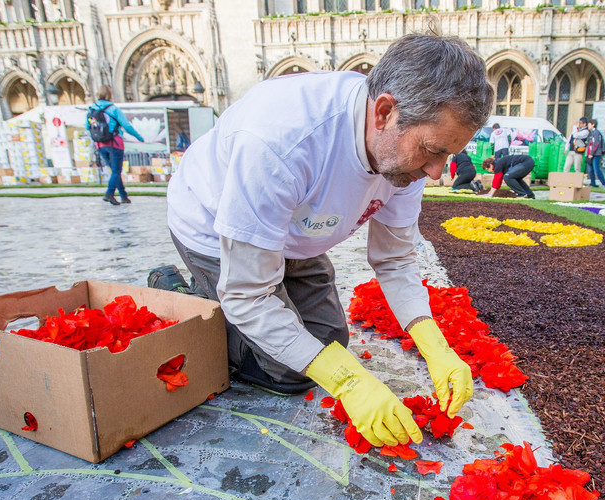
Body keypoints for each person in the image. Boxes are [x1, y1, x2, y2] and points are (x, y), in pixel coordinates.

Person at [158, 33, 491, 448]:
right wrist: (349, 383)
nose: (438, 172)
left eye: (448, 156)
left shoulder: (409, 152)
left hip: (298, 237)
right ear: (385, 111)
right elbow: (247, 294)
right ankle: (179, 293)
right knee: (289, 372)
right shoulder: (281, 141)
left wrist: (435, 346)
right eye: (432, 152)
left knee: (327, 344)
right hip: (214, 228)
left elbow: (395, 259)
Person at [86, 86, 145, 206]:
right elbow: (126, 126)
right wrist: (139, 137)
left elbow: (87, 126)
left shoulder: (91, 109)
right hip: (115, 143)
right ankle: (110, 193)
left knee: (114, 171)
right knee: (117, 170)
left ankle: (123, 196)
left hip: (100, 144)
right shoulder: (113, 109)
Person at [585, 118, 605, 188]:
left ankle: (604, 183)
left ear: (593, 125)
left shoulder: (596, 133)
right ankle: (592, 183)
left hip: (595, 154)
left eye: (589, 124)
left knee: (596, 169)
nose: (588, 126)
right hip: (589, 154)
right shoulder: (591, 133)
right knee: (590, 170)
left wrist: (591, 153)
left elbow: (596, 144)